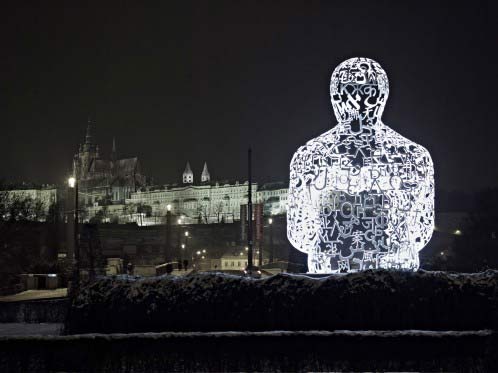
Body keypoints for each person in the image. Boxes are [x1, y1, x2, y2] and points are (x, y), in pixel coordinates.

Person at [287, 57, 434, 274]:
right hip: (395, 275)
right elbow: (421, 233)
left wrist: (338, 234)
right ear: (382, 95)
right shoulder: (415, 156)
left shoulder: (308, 156)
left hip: (329, 273)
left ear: (335, 97)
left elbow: (301, 235)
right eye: (352, 92)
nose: (357, 99)